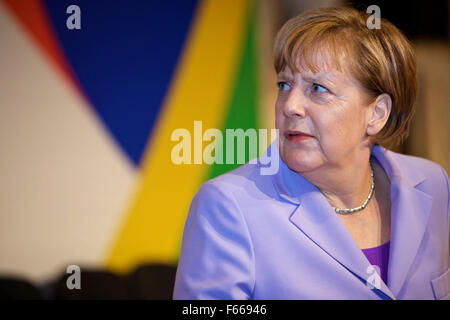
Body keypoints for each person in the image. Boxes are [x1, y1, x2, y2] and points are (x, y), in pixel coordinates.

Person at [173, 7, 450, 300]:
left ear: (377, 114)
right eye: (284, 84)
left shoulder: (433, 184)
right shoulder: (227, 206)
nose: (289, 105)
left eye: (318, 88)